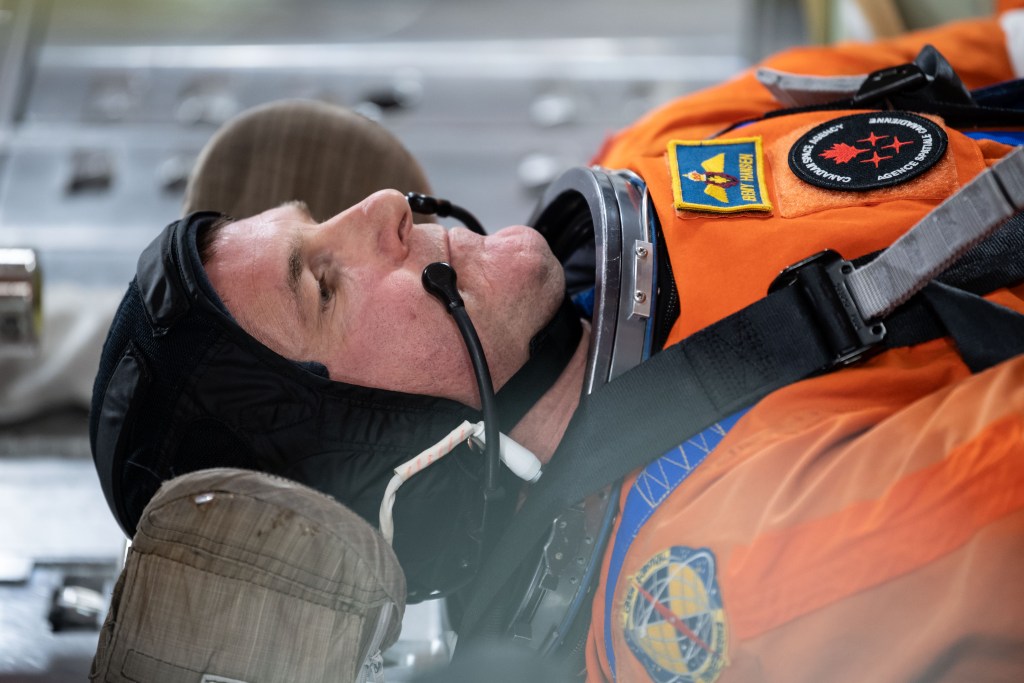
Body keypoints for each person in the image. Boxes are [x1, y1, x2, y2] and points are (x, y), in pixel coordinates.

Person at [90, 8, 1024, 682]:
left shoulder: (648, 152)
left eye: (321, 218)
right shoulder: (727, 579)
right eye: (323, 284)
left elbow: (999, 53)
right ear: (370, 454)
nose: (378, 205)